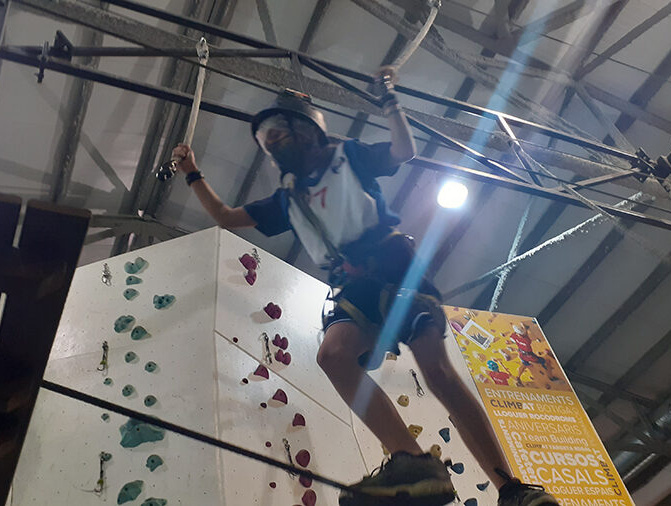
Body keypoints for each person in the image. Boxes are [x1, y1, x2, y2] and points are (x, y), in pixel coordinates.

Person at [172, 68, 558, 506]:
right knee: (333, 355)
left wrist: (389, 100)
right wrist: (192, 173)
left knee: (436, 371)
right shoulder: (287, 198)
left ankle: (511, 487)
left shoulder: (348, 157)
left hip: (394, 266)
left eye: (279, 132)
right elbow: (226, 217)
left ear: (308, 131)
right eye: (267, 139)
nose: (272, 143)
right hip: (351, 286)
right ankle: (412, 461)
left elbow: (404, 151)